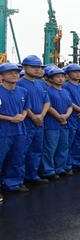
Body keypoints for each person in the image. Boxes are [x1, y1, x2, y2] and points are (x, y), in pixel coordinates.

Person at [18, 55, 51, 186]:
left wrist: (41, 116)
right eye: (33, 67)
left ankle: (33, 175)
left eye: (39, 67)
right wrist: (33, 117)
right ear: (24, 67)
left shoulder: (41, 83)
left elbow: (47, 101)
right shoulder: (19, 83)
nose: (37, 70)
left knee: (36, 150)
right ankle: (20, 179)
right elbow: (22, 104)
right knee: (21, 152)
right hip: (26, 122)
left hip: (40, 122)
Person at [0, 62, 30, 196]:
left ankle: (13, 183)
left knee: (17, 158)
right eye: (10, 73)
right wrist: (10, 118)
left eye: (17, 73)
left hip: (19, 131)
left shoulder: (23, 91)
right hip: (3, 131)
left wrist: (22, 116)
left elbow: (25, 109)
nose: (14, 75)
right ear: (2, 76)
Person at [43, 66, 73, 177]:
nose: (60, 79)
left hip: (64, 122)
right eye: (57, 77)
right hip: (52, 123)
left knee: (63, 146)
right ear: (51, 79)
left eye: (62, 77)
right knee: (50, 148)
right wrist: (59, 117)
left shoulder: (65, 91)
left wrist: (66, 116)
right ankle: (48, 170)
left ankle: (60, 168)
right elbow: (48, 106)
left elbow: (70, 106)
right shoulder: (47, 91)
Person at [63, 64, 80, 171]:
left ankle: (77, 161)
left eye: (79, 72)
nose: (78, 74)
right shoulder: (65, 86)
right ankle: (68, 164)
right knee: (70, 140)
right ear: (68, 74)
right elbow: (69, 102)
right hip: (72, 116)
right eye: (75, 72)